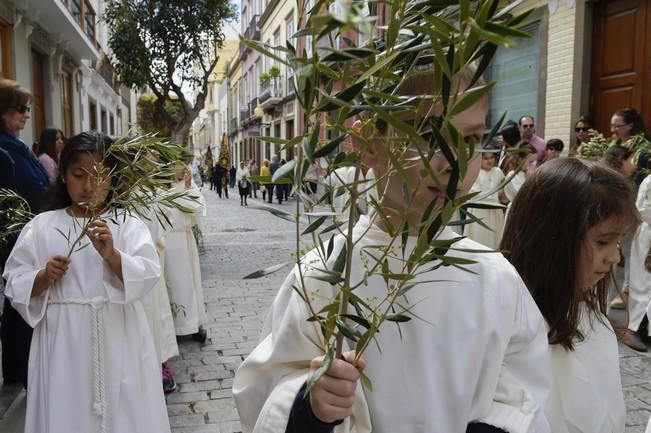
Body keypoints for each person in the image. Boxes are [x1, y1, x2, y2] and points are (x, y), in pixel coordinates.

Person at [233, 69, 551, 433]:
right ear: (369, 144)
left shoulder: (496, 278)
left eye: (471, 139)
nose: (454, 162)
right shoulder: (323, 274)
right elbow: (263, 390)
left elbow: (524, 385)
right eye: (430, 135)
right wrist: (310, 405)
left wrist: (497, 427)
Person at [2, 131, 171, 433]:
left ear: (114, 178)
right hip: (62, 340)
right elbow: (15, 280)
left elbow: (147, 273)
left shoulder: (127, 224)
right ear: (63, 176)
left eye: (99, 177)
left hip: (118, 334)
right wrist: (43, 276)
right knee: (66, 411)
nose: (89, 186)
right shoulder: (41, 226)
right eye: (79, 175)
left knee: (124, 411)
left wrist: (112, 255)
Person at [500, 158, 637, 432]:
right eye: (602, 242)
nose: (614, 257)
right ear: (550, 238)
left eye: (617, 241)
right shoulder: (511, 326)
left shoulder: (589, 313)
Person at [0, 78, 49, 388]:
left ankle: (19, 369)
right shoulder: (4, 151)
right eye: (19, 109)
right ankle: (19, 372)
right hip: (15, 237)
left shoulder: (15, 146)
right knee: (19, 300)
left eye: (27, 109)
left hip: (29, 231)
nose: (26, 115)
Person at [164, 164, 208, 344]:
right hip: (166, 242)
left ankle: (192, 324)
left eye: (185, 166)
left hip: (183, 240)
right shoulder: (159, 188)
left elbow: (196, 209)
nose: (183, 170)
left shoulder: (188, 186)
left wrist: (189, 187)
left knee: (188, 284)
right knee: (171, 285)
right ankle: (172, 326)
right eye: (179, 166)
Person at [625, 162, 651, 351]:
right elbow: (642, 208)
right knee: (643, 284)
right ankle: (634, 329)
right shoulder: (648, 182)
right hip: (648, 236)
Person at [464, 145, 505, 249]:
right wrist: (495, 194)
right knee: (481, 239)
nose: (489, 161)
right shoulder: (475, 172)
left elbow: (503, 190)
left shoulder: (498, 172)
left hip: (495, 211)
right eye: (485, 158)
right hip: (480, 212)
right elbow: (474, 193)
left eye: (491, 157)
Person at [610, 107, 651, 185]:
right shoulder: (613, 143)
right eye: (612, 126)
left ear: (630, 125)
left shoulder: (644, 147)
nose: (613, 130)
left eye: (617, 126)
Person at [501, 141, 537, 207]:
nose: (534, 165)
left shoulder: (533, 175)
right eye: (531, 162)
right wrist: (529, 180)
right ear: (520, 160)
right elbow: (521, 197)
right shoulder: (512, 176)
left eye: (535, 162)